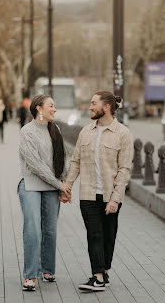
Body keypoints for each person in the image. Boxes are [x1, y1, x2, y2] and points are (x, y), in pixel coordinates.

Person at [60, 91, 133, 291]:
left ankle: (104, 270)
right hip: (88, 194)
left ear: (106, 106)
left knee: (109, 236)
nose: (90, 107)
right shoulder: (85, 132)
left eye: (94, 103)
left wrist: (115, 199)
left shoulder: (123, 134)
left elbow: (124, 170)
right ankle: (98, 277)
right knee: (94, 235)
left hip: (110, 195)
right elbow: (75, 161)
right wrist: (68, 185)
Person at [18, 94, 71, 292]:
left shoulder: (54, 129)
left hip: (52, 187)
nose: (54, 109)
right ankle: (30, 275)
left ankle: (47, 269)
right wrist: (59, 185)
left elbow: (63, 157)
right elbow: (36, 166)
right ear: (39, 108)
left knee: (50, 230)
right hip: (31, 186)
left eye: (55, 106)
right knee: (33, 230)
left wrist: (65, 183)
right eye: (51, 106)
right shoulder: (27, 132)